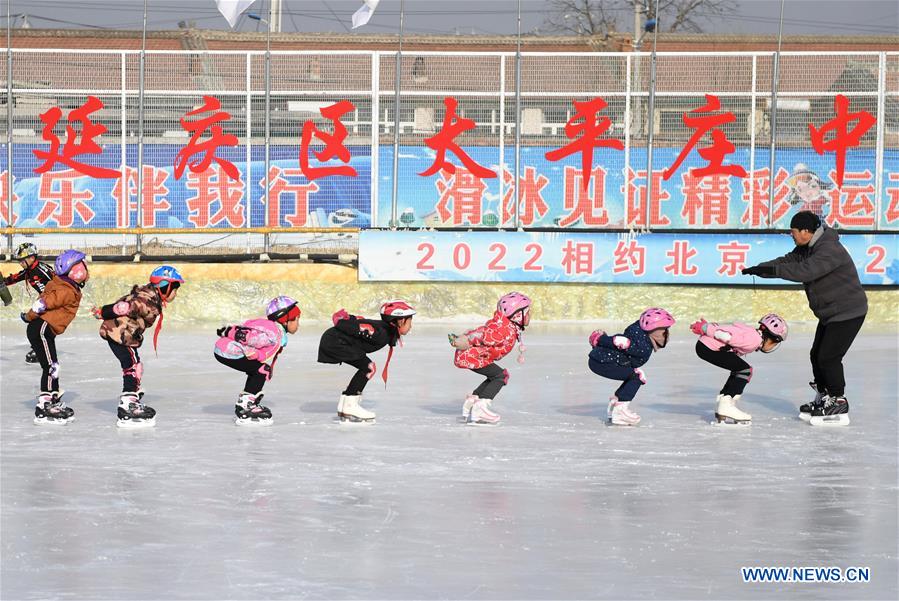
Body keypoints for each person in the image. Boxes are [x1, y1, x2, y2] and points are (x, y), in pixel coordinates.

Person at [742, 210, 867, 426]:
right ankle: (824, 398)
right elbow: (789, 260)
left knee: (828, 357)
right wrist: (762, 269)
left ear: (806, 232)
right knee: (816, 354)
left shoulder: (829, 249)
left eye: (793, 231)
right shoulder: (808, 248)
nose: (791, 235)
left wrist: (773, 270)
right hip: (831, 313)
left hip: (848, 312)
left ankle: (838, 399)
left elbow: (805, 272)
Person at [91, 265, 185, 428]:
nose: (175, 294)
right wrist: (103, 312)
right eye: (174, 289)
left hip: (121, 334)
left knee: (134, 364)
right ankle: (129, 403)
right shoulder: (145, 300)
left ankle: (132, 390)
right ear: (164, 286)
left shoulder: (147, 296)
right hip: (120, 335)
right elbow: (125, 306)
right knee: (133, 366)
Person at [318, 300, 416, 424]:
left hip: (337, 341)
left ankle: (345, 405)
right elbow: (357, 326)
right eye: (410, 322)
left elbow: (361, 321)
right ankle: (350, 406)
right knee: (369, 368)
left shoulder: (384, 330)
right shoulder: (381, 333)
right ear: (401, 321)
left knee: (367, 367)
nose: (411, 326)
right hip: (335, 342)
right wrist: (342, 320)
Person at [21, 249, 89, 425]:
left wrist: (28, 317)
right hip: (43, 329)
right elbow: (46, 302)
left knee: (51, 366)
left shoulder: (63, 285)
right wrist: (34, 311)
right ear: (74, 270)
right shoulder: (66, 290)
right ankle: (46, 404)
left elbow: (46, 298)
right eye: (82, 266)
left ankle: (52, 396)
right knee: (52, 367)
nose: (86, 269)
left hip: (41, 328)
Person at [214, 296, 301, 426]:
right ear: (285, 319)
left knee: (258, 370)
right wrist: (229, 332)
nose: (298, 324)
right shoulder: (273, 334)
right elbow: (246, 336)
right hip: (229, 351)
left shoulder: (274, 330)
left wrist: (254, 354)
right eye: (297, 319)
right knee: (262, 370)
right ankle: (246, 406)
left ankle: (247, 401)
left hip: (229, 350)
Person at [691, 313, 789, 425]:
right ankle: (726, 405)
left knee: (739, 369)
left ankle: (724, 402)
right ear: (772, 338)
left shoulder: (752, 334)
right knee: (745, 370)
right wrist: (706, 328)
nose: (773, 346)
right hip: (708, 348)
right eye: (775, 343)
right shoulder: (753, 340)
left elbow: (730, 331)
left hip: (705, 346)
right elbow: (726, 336)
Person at [449, 291, 531, 425]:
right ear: (517, 315)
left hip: (476, 356)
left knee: (495, 376)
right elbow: (484, 334)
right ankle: (480, 407)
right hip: (471, 356)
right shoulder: (504, 329)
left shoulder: (507, 326)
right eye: (527, 312)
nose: (529, 315)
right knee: (501, 376)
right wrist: (466, 338)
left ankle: (473, 400)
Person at [588, 308, 675, 426]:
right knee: (638, 376)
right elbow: (618, 341)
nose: (666, 335)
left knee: (634, 375)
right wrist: (600, 339)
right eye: (664, 331)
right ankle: (620, 411)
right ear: (654, 330)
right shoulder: (641, 346)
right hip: (601, 362)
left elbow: (620, 342)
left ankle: (616, 405)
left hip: (604, 361)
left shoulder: (639, 336)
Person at [3, 243, 55, 364]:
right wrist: (3, 282)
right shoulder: (28, 271)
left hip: (54, 303)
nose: (20, 263)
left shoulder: (42, 269)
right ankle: (38, 350)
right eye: (19, 260)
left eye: (22, 260)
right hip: (45, 303)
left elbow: (59, 281)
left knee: (38, 328)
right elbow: (14, 278)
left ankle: (43, 353)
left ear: (32, 257)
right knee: (33, 328)